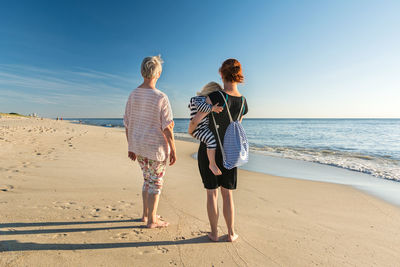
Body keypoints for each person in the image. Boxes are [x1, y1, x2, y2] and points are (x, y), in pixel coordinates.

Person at [196, 59, 248, 242]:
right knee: (228, 193)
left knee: (212, 193)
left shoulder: (216, 96)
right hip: (231, 152)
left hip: (210, 148)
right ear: (238, 75)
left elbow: (197, 119)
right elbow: (236, 127)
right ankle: (231, 233)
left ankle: (214, 233)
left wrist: (192, 127)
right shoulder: (243, 102)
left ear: (221, 73)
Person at [123, 55, 176, 229]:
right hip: (155, 149)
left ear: (141, 72)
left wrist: (131, 146)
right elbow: (167, 127)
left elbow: (127, 124)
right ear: (158, 74)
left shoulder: (133, 95)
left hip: (139, 146)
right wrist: (173, 150)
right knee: (156, 183)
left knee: (147, 180)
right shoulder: (161, 97)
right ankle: (152, 220)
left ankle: (146, 215)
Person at [187, 82, 224, 175]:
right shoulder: (199, 99)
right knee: (211, 140)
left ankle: (212, 163)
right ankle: (212, 164)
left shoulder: (197, 99)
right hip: (198, 129)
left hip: (202, 127)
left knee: (211, 140)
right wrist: (212, 108)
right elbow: (200, 107)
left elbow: (190, 106)